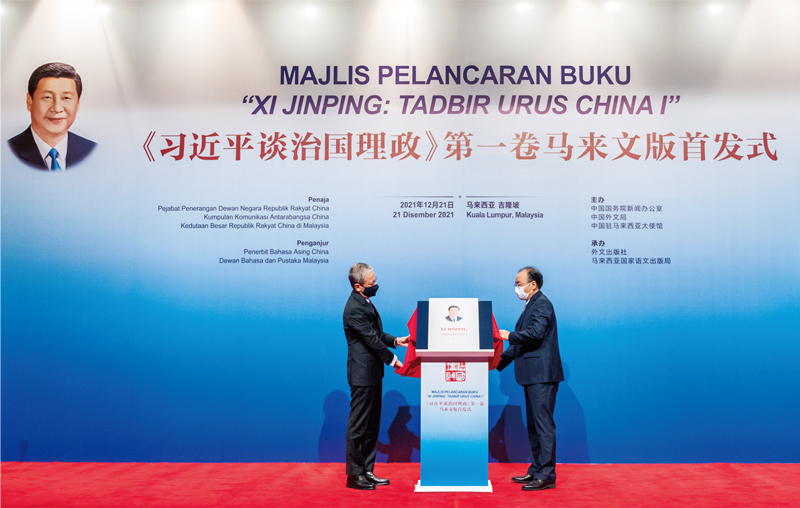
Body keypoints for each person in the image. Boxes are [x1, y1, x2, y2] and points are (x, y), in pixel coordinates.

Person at [343, 263, 410, 490]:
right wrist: (393, 359)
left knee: (371, 425)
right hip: (362, 375)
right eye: (372, 283)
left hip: (373, 374)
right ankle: (355, 475)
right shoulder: (354, 308)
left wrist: (395, 340)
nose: (376, 285)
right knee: (358, 426)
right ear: (358, 286)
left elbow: (376, 333)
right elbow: (370, 340)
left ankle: (367, 470)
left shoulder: (365, 302)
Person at [498, 266, 564, 491]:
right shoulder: (530, 305)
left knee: (543, 425)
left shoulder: (542, 303)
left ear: (532, 284)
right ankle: (536, 470)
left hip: (542, 375)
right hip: (532, 375)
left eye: (519, 284)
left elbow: (536, 333)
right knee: (534, 426)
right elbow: (522, 344)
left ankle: (546, 475)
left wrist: (509, 335)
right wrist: (497, 363)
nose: (516, 288)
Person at [8, 62, 96, 170]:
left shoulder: (92, 152)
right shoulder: (6, 153)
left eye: (66, 98)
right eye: (47, 97)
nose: (57, 108)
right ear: (29, 102)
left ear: (77, 104)